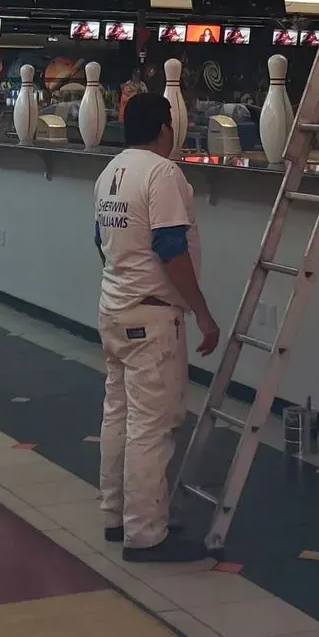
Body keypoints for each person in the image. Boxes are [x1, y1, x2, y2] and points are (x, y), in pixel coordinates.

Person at [92, 92, 219, 562]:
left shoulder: (110, 173)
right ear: (166, 129)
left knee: (118, 415)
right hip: (151, 317)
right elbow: (170, 249)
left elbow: (102, 242)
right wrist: (202, 312)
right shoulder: (163, 173)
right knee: (151, 426)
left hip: (114, 308)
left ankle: (116, 514)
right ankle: (146, 534)